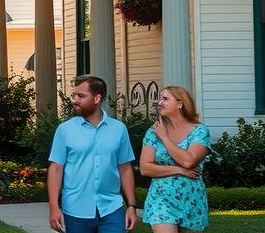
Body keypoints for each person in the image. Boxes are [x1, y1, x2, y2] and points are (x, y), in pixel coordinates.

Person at [48, 75, 140, 233]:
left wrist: (131, 206)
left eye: (81, 96)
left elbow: (125, 167)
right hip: (75, 209)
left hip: (111, 208)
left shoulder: (119, 129)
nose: (74, 100)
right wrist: (54, 208)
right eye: (74, 95)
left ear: (97, 98)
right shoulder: (64, 130)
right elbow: (56, 168)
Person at [139, 86, 210, 233]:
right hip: (161, 198)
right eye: (159, 98)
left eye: (165, 99)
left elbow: (189, 161)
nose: (159, 102)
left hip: (191, 199)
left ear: (180, 103)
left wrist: (164, 138)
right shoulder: (153, 132)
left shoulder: (200, 131)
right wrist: (179, 170)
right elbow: (145, 168)